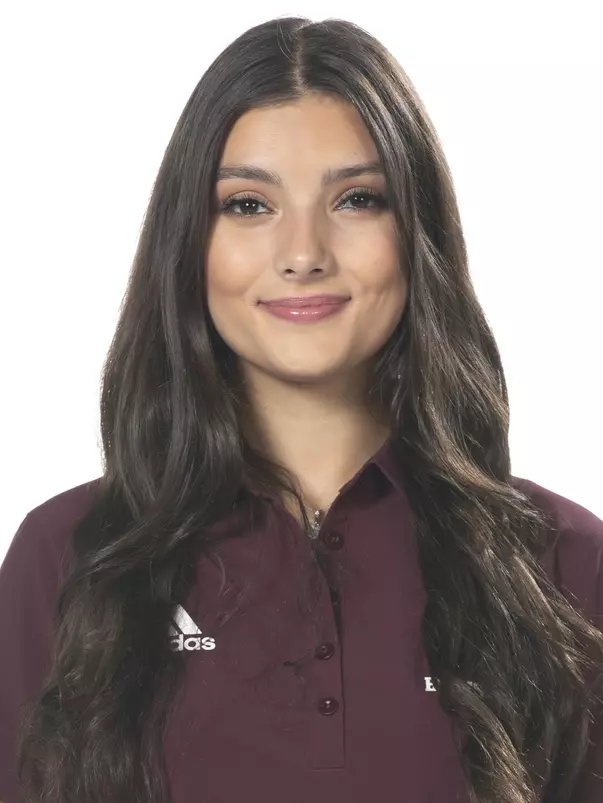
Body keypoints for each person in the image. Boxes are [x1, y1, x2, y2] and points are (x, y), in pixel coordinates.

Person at [1, 14, 602, 803]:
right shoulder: (69, 558)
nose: (303, 252)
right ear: (191, 242)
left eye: (357, 199)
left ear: (416, 235)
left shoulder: (562, 563)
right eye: (248, 205)